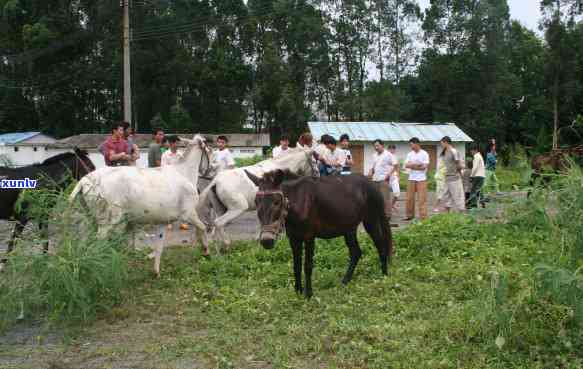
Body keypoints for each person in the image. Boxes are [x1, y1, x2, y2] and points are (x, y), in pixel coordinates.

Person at [368, 139, 394, 224]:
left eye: (377, 146)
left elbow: (395, 165)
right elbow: (372, 167)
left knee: (385, 198)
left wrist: (389, 174)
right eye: (375, 146)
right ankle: (378, 215)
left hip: (384, 180)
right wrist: (370, 173)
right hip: (375, 179)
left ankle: (387, 216)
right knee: (376, 199)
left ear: (382, 145)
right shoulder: (374, 155)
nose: (376, 147)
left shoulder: (388, 154)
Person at [404, 137, 429, 221]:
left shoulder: (424, 153)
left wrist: (413, 165)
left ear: (417, 144)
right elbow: (406, 165)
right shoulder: (409, 154)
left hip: (421, 179)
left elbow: (424, 167)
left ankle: (423, 217)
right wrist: (417, 164)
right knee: (409, 198)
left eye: (411, 145)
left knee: (422, 199)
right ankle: (409, 215)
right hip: (411, 178)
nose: (411, 146)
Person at [439, 136, 465, 213]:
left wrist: (461, 175)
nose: (441, 145)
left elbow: (459, 164)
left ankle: (462, 213)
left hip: (455, 177)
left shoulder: (454, 151)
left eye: (442, 143)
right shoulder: (444, 152)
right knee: (446, 196)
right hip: (447, 177)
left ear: (446, 142)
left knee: (458, 196)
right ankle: (447, 214)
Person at [468, 144, 486, 208]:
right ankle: (482, 201)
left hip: (477, 175)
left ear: (475, 150)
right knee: (479, 189)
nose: (471, 152)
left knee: (473, 190)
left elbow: (475, 167)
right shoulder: (480, 156)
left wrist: (471, 176)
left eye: (471, 151)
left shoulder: (476, 156)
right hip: (482, 175)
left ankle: (473, 204)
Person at [387, 145, 400, 211]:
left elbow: (397, 166)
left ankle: (392, 205)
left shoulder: (395, 157)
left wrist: (398, 175)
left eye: (393, 149)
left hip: (394, 177)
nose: (392, 150)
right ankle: (387, 208)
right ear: (388, 150)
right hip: (386, 177)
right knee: (386, 194)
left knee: (397, 193)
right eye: (390, 149)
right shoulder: (385, 156)